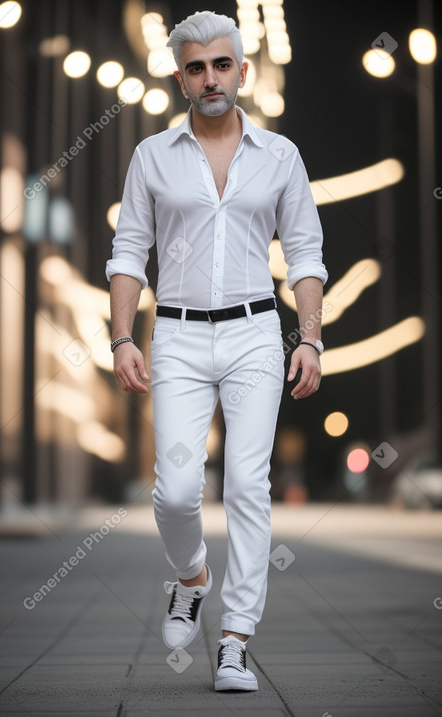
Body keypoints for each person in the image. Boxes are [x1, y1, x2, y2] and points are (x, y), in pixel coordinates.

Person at [106, 10, 328, 692]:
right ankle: (193, 576)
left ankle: (234, 640)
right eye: (197, 67)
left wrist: (311, 337)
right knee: (175, 492)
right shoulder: (152, 156)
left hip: (256, 332)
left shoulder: (281, 156)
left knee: (245, 487)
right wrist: (120, 336)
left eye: (221, 65)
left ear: (242, 71)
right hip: (173, 333)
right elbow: (127, 252)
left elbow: (305, 254)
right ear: (181, 79)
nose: (211, 78)